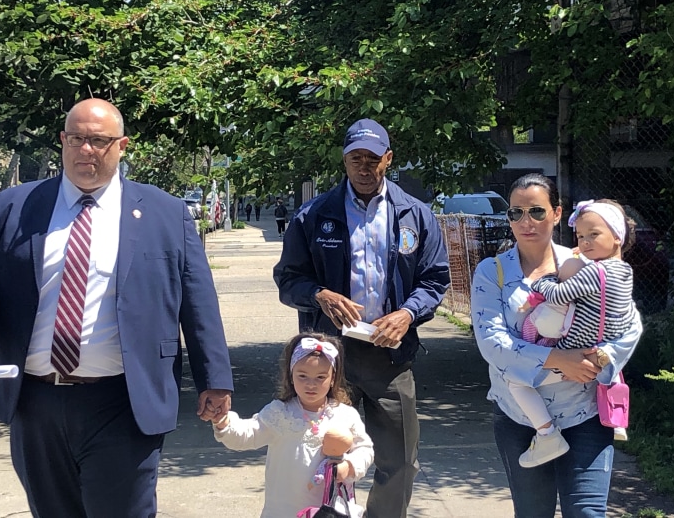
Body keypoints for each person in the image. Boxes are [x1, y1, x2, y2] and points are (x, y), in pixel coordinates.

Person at [0, 98, 234, 518]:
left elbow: (197, 299)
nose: (85, 151)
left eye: (98, 140)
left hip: (123, 400)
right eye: (76, 139)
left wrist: (215, 378)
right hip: (34, 401)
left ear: (122, 146)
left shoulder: (165, 214)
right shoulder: (14, 208)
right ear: (62, 140)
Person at [273, 118, 450, 518]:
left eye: (373, 158)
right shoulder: (313, 215)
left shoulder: (415, 215)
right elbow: (287, 279)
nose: (365, 167)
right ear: (345, 161)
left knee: (401, 461)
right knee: (319, 457)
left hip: (390, 357)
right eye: (356, 158)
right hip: (328, 359)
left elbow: (435, 279)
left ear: (388, 159)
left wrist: (407, 314)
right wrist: (319, 295)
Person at [471, 173, 642, 517]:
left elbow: (629, 323)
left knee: (588, 512)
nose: (525, 222)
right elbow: (492, 342)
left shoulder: (584, 262)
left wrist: (601, 358)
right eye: (515, 213)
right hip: (520, 420)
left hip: (585, 415)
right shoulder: (492, 272)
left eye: (536, 211)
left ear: (557, 213)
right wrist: (559, 359)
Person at [507, 198, 637, 468]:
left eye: (593, 235)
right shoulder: (625, 272)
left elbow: (560, 295)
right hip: (601, 344)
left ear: (617, 237)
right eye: (580, 236)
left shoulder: (595, 272)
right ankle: (617, 419)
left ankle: (546, 434)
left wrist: (543, 282)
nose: (585, 242)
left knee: (516, 381)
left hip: (573, 347)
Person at [213, 333, 373, 517]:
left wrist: (349, 466)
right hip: (283, 510)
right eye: (303, 376)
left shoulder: (344, 414)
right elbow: (247, 435)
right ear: (291, 375)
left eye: (320, 377)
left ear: (333, 377)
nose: (311, 384)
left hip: (327, 511)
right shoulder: (280, 413)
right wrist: (222, 421)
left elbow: (365, 450)